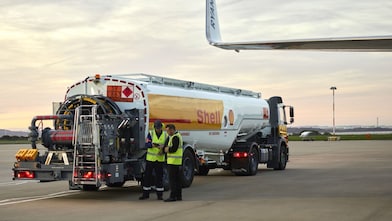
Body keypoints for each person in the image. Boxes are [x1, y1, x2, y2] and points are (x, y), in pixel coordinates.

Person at [139, 120, 167, 200]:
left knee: (159, 178)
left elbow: (168, 145)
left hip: (160, 159)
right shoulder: (151, 134)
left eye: (159, 128)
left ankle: (160, 195)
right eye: (157, 128)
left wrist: (163, 149)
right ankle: (145, 194)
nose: (158, 129)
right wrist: (152, 145)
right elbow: (147, 144)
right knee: (147, 177)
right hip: (150, 159)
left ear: (161, 127)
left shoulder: (165, 135)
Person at [163, 124, 183, 202]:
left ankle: (173, 196)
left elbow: (174, 149)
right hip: (176, 162)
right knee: (177, 180)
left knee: (172, 180)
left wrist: (167, 149)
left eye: (168, 130)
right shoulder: (174, 136)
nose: (167, 132)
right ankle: (178, 196)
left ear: (172, 130)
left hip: (173, 162)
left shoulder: (175, 137)